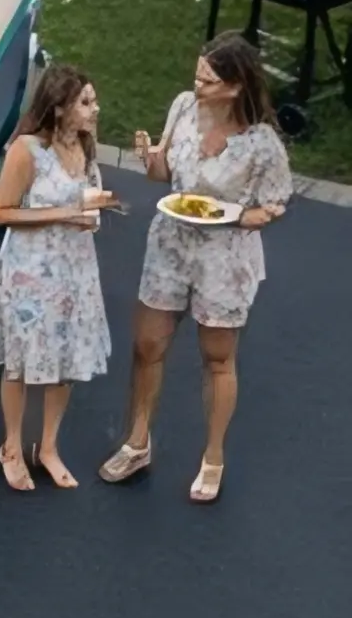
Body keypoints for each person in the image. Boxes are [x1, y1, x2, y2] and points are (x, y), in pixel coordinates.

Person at [100, 36, 292, 503]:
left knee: (217, 358)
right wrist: (149, 156)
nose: (196, 83)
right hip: (170, 244)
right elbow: (162, 175)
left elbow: (275, 203)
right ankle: (138, 441)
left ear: (234, 86)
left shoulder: (262, 144)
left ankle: (213, 457)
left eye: (207, 78)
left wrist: (242, 216)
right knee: (147, 346)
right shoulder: (184, 106)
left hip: (223, 262)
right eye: (198, 74)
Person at [0, 61, 117, 492]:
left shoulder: (84, 147)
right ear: (59, 108)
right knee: (20, 365)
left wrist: (92, 216)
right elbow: (1, 212)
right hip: (30, 274)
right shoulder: (27, 151)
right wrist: (63, 213)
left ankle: (50, 447)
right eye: (86, 102)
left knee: (65, 364)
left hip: (75, 273)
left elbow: (85, 202)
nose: (96, 109)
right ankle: (12, 446)